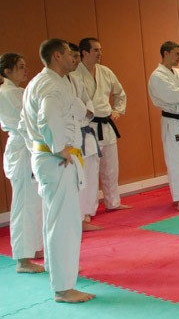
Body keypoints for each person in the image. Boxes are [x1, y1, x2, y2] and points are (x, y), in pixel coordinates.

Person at [19, 39, 95, 302]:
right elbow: (48, 116)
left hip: (47, 157)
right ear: (56, 56)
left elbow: (26, 123)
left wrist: (40, 148)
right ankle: (64, 288)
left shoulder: (49, 82)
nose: (74, 59)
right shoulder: (50, 85)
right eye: (69, 54)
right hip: (56, 159)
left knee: (55, 218)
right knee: (64, 222)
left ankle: (58, 270)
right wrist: (58, 147)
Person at [75, 38, 131, 213]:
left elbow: (120, 93)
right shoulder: (75, 74)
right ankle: (87, 211)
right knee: (90, 171)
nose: (100, 53)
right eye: (96, 50)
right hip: (88, 127)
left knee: (111, 168)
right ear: (84, 52)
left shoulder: (105, 71)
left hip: (106, 125)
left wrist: (118, 110)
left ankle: (113, 202)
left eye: (100, 49)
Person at [0, 53, 44, 273]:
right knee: (24, 204)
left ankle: (33, 248)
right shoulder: (9, 92)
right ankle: (22, 259)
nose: (25, 71)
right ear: (7, 71)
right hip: (22, 149)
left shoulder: (13, 91)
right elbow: (27, 122)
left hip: (25, 148)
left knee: (33, 202)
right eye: (20, 67)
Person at [147, 41, 179, 213]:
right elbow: (177, 96)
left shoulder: (178, 73)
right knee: (176, 161)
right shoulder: (157, 76)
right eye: (177, 54)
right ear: (166, 53)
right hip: (172, 122)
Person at [68, 43, 102, 232]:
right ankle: (80, 217)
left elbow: (87, 102)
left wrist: (89, 111)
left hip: (86, 131)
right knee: (76, 178)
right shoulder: (56, 81)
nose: (74, 60)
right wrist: (85, 111)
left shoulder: (75, 78)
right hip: (72, 136)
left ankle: (87, 214)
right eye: (71, 56)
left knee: (89, 173)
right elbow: (74, 105)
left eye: (75, 56)